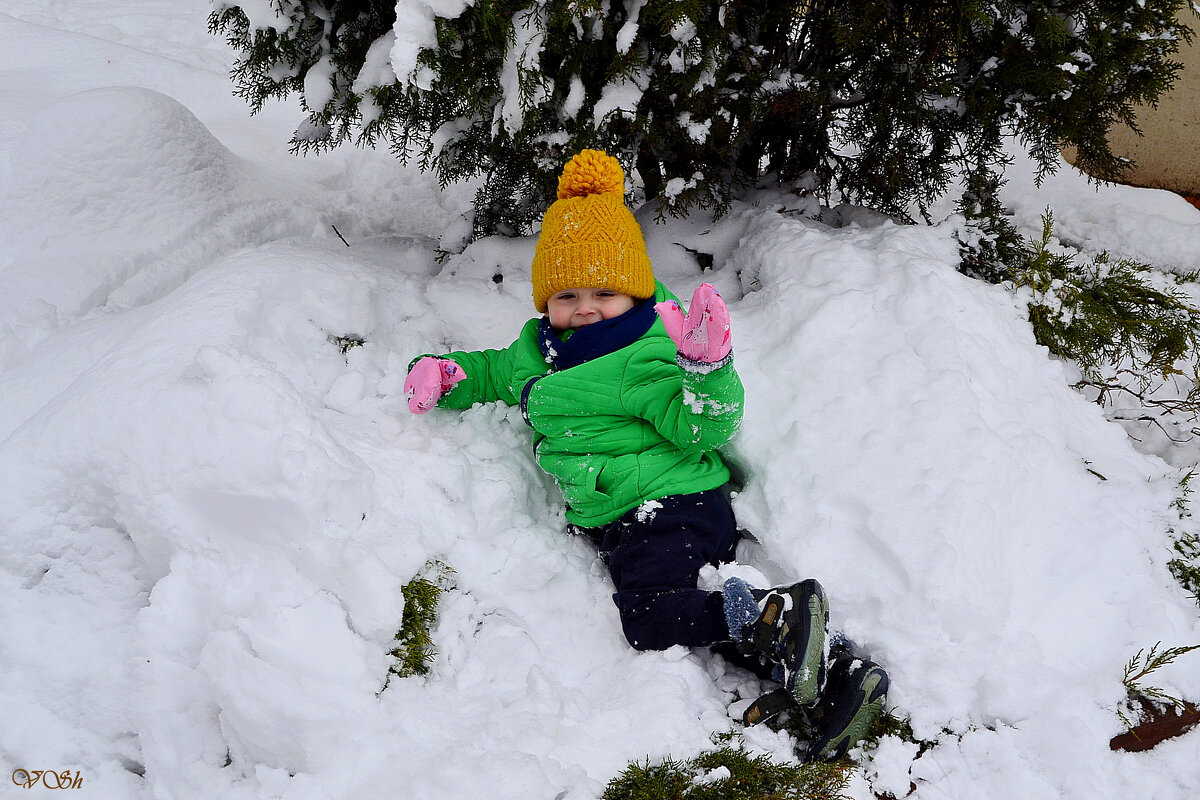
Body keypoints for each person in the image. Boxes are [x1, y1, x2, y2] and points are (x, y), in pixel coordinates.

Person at [403, 149, 888, 761]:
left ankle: (773, 618)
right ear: (545, 300)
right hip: (641, 513)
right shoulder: (537, 351)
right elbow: (494, 373)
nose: (585, 306)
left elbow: (701, 428)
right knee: (702, 611)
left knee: (652, 618)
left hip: (669, 504)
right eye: (568, 293)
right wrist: (448, 375)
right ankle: (838, 673)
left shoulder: (641, 353)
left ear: (633, 289)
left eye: (605, 291)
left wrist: (707, 374)